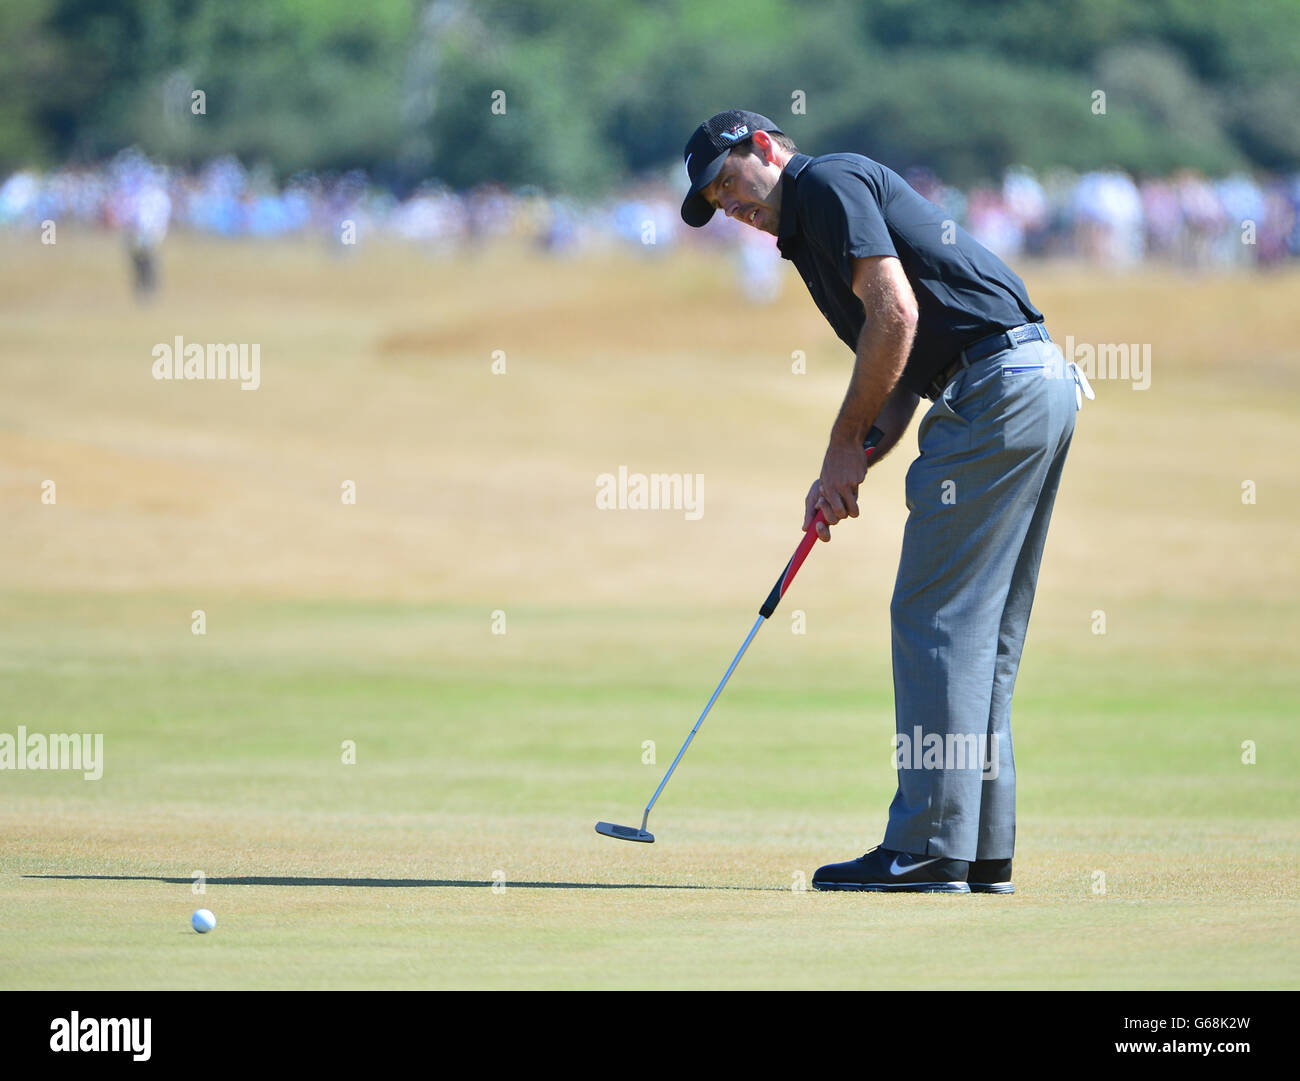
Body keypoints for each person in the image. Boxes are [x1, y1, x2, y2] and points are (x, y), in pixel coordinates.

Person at [679, 110, 1089, 894]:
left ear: (764, 147)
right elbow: (902, 367)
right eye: (716, 202)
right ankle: (977, 849)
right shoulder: (807, 227)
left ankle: (929, 845)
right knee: (982, 637)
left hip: (997, 389)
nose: (732, 205)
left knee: (935, 619)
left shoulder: (825, 182)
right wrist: (855, 461)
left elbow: (895, 315)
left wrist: (840, 440)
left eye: (730, 182)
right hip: (1032, 382)